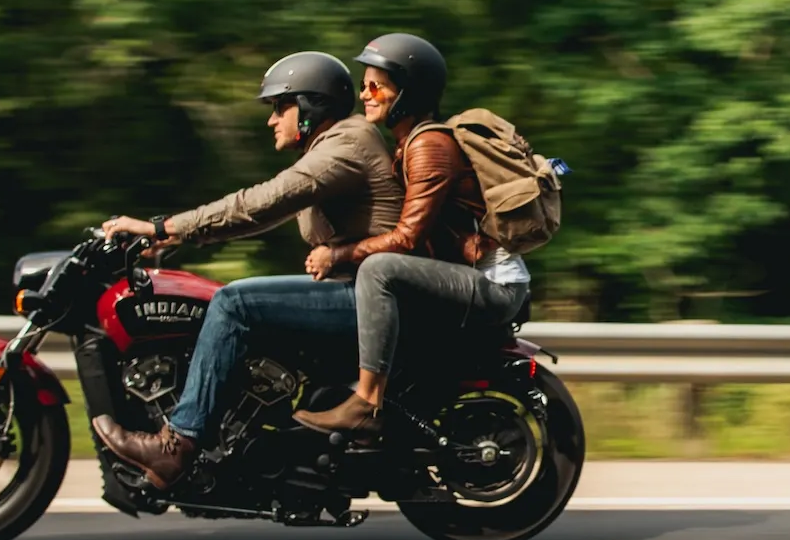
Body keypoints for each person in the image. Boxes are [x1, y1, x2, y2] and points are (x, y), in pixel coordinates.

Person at [92, 52, 402, 487]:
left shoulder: (346, 145)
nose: (272, 121)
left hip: (367, 298)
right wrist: (172, 238)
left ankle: (176, 444)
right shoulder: (336, 147)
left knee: (234, 302)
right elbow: (262, 214)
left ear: (311, 107)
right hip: (358, 292)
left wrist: (162, 226)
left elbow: (259, 204)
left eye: (280, 107)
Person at [293, 33, 529, 435]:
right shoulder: (408, 143)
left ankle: (366, 402)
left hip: (494, 286)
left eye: (376, 86)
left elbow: (407, 239)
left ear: (407, 93)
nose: (365, 94)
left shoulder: (428, 147)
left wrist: (338, 255)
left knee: (380, 269)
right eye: (364, 84)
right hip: (468, 278)